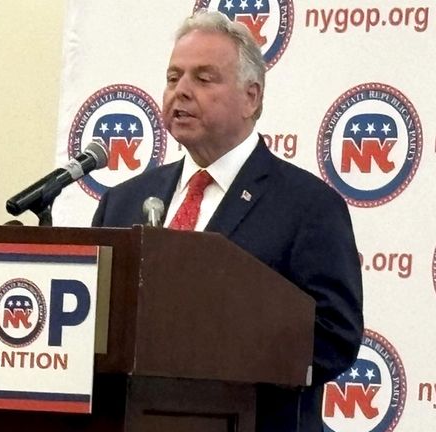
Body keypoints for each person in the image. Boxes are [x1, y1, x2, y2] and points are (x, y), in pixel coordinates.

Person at [91, 9, 363, 432]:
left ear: (251, 97)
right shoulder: (122, 202)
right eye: (172, 77)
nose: (180, 91)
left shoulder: (308, 206)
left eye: (203, 78)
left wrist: (215, 342)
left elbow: (334, 338)